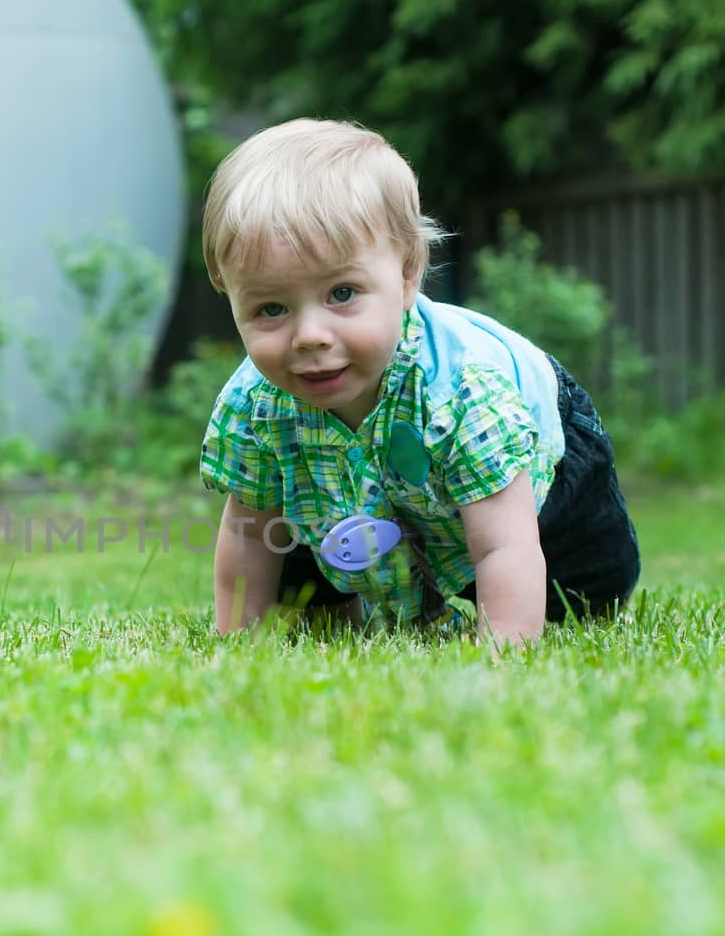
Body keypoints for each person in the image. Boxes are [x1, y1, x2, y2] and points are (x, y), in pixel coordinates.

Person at [198, 118, 640, 644]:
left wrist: (504, 655)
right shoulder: (256, 405)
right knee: (292, 566)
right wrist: (237, 645)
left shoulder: (462, 393)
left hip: (537, 468)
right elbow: (247, 534)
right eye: (271, 308)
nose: (309, 337)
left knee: (580, 596)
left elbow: (506, 545)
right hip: (342, 489)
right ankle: (349, 602)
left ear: (408, 275)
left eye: (342, 294)